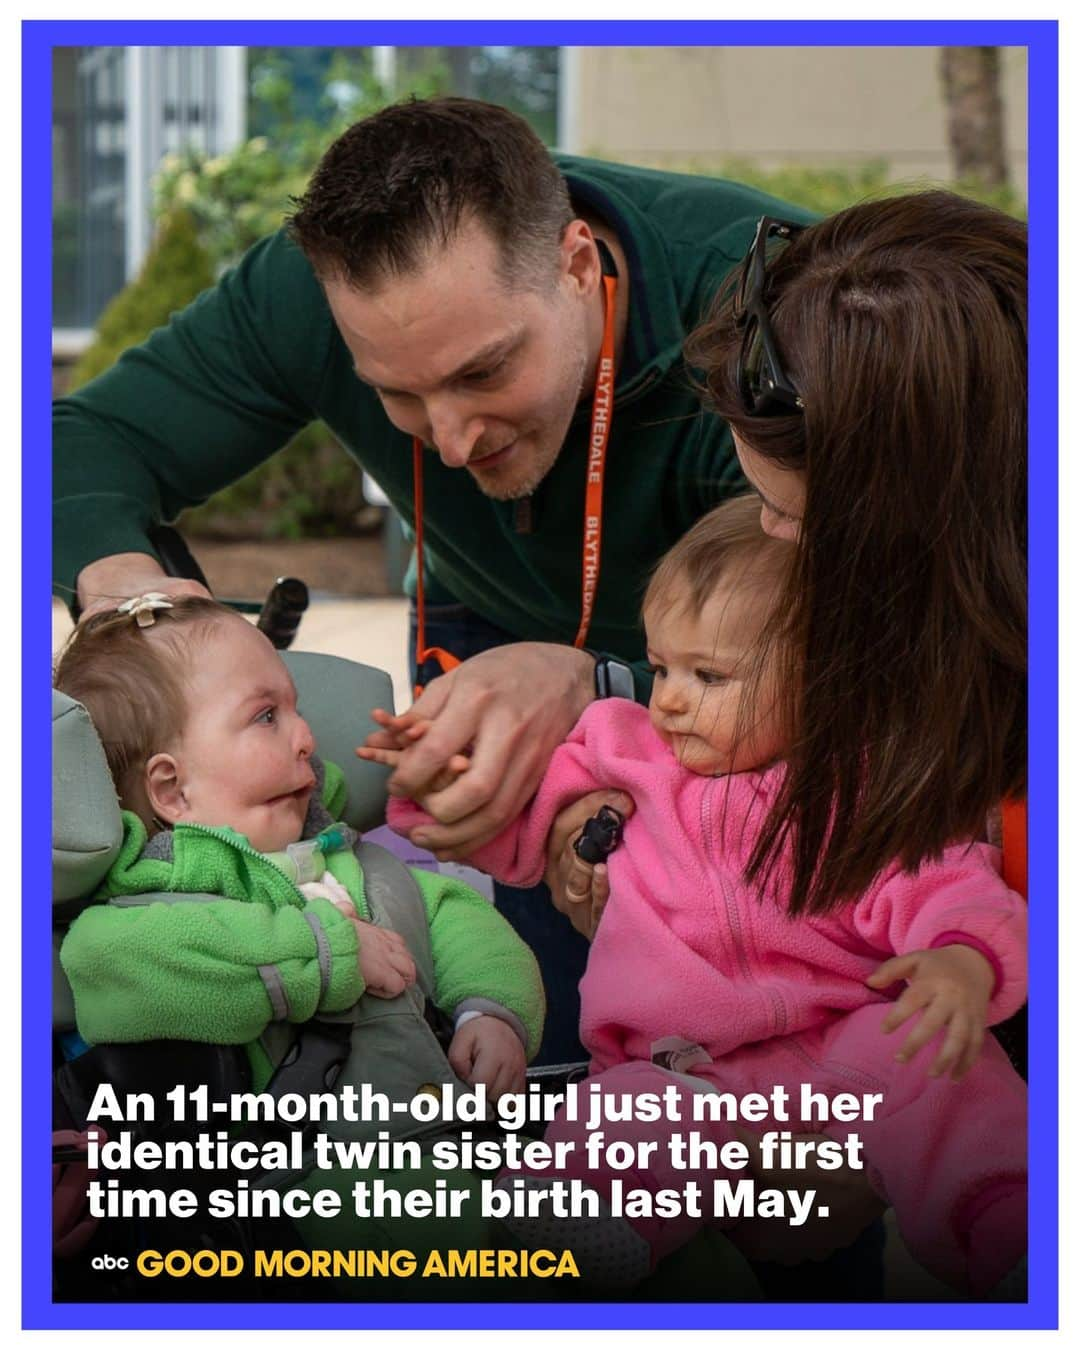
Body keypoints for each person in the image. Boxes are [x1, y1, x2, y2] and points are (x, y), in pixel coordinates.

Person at [53, 95, 815, 1059]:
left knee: (772, 1038)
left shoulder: (761, 322)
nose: (452, 442)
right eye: (397, 394)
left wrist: (607, 687)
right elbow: (79, 444)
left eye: (484, 372)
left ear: (578, 267)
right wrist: (124, 580)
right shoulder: (308, 297)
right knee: (550, 1013)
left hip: (750, 673)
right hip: (486, 616)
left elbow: (872, 645)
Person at [381, 496, 1028, 1298]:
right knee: (616, 1116)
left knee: (950, 1077)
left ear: (826, 678)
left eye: (709, 675)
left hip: (846, 1046)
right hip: (680, 1064)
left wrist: (962, 965)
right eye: (661, 667)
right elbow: (515, 829)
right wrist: (435, 788)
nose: (670, 699)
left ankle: (1013, 1236)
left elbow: (950, 885)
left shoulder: (858, 791)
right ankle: (586, 1220)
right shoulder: (623, 753)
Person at [53, 595, 546, 1276]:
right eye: (266, 716)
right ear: (172, 791)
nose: (308, 736)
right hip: (294, 1191)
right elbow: (118, 964)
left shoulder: (357, 862)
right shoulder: (143, 912)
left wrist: (491, 1009)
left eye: (297, 708)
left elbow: (459, 918)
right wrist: (326, 952)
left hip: (451, 1134)